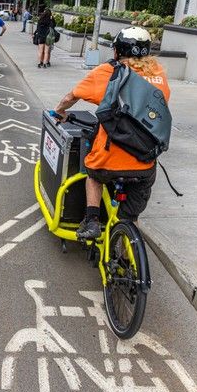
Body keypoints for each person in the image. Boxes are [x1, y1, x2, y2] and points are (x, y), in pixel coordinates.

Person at [53, 26, 171, 239]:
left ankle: (91, 221)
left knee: (93, 173)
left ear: (117, 51)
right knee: (130, 218)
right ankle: (127, 247)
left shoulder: (109, 72)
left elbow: (72, 96)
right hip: (145, 162)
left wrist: (60, 111)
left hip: (109, 162)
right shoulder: (158, 74)